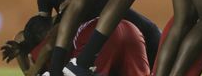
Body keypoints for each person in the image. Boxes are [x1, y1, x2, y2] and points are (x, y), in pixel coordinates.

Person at [16, 14, 150, 76]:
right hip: (128, 28)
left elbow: (19, 39)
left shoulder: (43, 48)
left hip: (97, 38)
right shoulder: (69, 18)